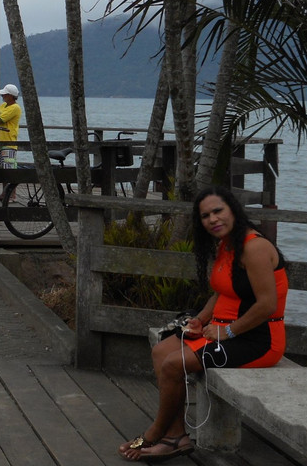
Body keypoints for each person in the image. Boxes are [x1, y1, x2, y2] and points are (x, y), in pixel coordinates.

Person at [119, 185, 288, 462]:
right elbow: (222, 292)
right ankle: (176, 437)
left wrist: (227, 331)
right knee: (162, 351)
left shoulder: (255, 247)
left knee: (175, 363)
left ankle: (155, 433)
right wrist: (200, 320)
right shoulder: (228, 245)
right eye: (205, 216)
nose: (212, 219)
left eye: (217, 211)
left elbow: (267, 305)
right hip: (226, 331)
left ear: (233, 209)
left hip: (259, 341)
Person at [0, 84, 22, 169]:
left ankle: (9, 182)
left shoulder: (15, 107)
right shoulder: (3, 105)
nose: (2, 96)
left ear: (11, 96)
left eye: (5, 94)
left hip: (8, 142)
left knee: (8, 168)